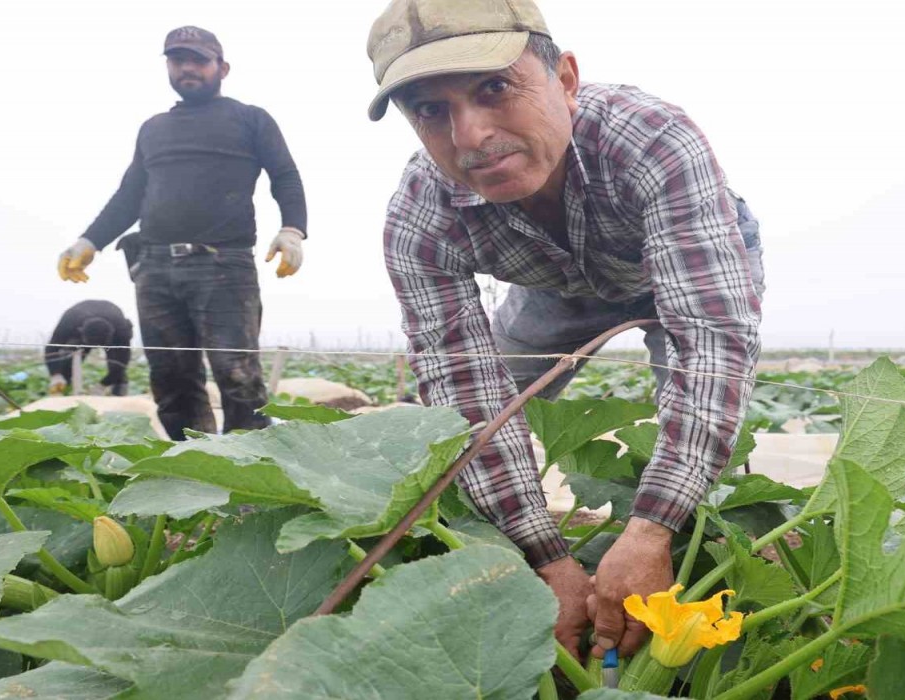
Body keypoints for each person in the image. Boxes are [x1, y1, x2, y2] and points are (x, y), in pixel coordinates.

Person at [366, 0, 765, 662]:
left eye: (493, 88)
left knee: (698, 434)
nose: (469, 136)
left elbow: (709, 347)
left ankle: (692, 571)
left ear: (567, 79)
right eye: (430, 111)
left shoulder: (652, 140)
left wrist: (650, 530)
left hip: (685, 265)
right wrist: (543, 555)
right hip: (554, 290)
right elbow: (466, 387)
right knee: (455, 437)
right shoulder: (420, 215)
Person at [55, 26, 308, 441]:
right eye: (177, 60)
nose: (188, 68)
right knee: (171, 379)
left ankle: (249, 481)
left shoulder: (250, 119)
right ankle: (193, 471)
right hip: (154, 268)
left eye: (199, 60)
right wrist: (88, 242)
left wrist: (293, 230)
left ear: (222, 68)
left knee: (238, 375)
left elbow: (286, 176)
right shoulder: (153, 129)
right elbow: (130, 194)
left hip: (223, 266)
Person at [45, 299, 133, 396]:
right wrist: (55, 374)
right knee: (67, 359)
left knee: (116, 365)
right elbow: (51, 348)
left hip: (113, 328)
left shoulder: (121, 330)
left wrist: (102, 385)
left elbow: (122, 362)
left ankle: (119, 394)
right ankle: (63, 390)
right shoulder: (70, 320)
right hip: (79, 331)